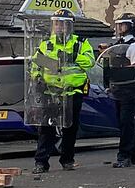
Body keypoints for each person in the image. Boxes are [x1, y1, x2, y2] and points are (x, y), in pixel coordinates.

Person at [30, 9, 95, 174]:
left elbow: (90, 62)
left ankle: (67, 159)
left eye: (62, 23)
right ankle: (41, 162)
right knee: (46, 129)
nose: (59, 27)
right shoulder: (46, 44)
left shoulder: (80, 43)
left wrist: (73, 56)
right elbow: (36, 64)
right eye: (56, 23)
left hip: (73, 93)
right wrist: (37, 78)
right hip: (51, 93)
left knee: (70, 129)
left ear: (69, 26)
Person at [108, 12, 135, 168]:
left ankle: (124, 155)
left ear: (131, 27)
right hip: (118, 87)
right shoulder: (118, 44)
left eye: (122, 25)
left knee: (126, 122)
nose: (119, 28)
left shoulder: (134, 45)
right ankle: (134, 153)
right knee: (126, 122)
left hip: (130, 88)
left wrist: (121, 69)